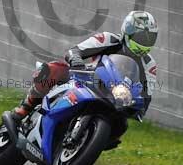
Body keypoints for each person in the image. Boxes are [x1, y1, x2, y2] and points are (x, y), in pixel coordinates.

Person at [8, 11, 159, 124]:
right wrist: (76, 59)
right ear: (128, 32)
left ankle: (91, 142)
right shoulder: (109, 39)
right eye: (141, 37)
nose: (145, 42)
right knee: (56, 68)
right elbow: (75, 51)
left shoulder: (149, 64)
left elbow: (147, 95)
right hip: (86, 79)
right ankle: (26, 106)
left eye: (149, 38)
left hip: (114, 98)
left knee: (121, 124)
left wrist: (138, 107)